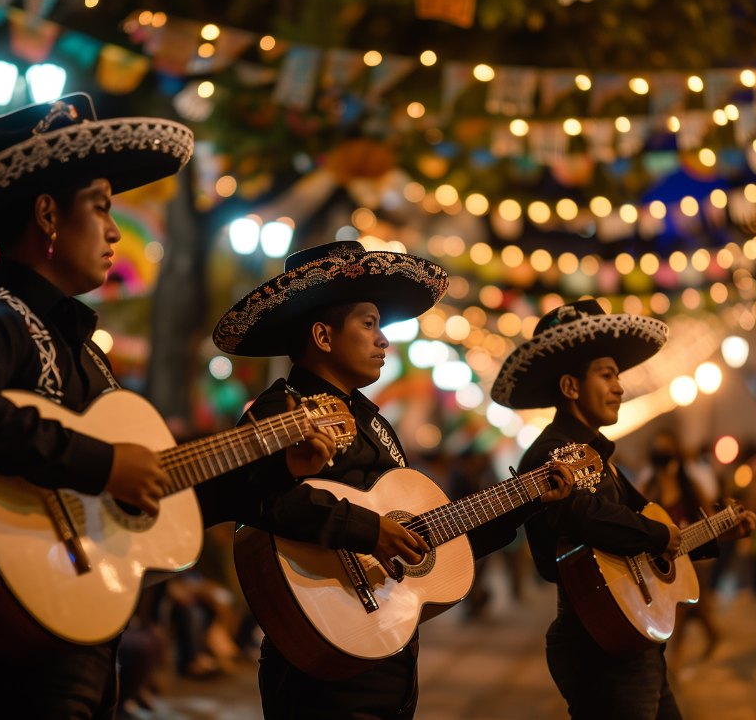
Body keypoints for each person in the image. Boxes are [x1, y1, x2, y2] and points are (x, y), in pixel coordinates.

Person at [0, 95, 331, 719]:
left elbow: (160, 510)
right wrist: (102, 463)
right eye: (103, 208)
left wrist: (271, 467)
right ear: (48, 214)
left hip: (85, 637)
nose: (115, 231)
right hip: (11, 652)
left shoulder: (88, 356)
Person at [199, 240, 575, 719]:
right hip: (317, 665)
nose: (384, 342)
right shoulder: (282, 411)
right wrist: (367, 530)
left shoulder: (374, 422)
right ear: (322, 335)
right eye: (369, 324)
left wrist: (525, 498)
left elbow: (427, 540)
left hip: (388, 655)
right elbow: (251, 498)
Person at [491, 300, 756, 720]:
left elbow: (650, 525)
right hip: (596, 642)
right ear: (570, 387)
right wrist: (656, 536)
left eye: (618, 376)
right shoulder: (549, 453)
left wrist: (711, 535)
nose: (619, 387)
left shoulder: (600, 457)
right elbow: (584, 515)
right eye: (607, 375)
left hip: (629, 636)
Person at [641, 431, 720, 663]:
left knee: (685, 605)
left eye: (666, 452)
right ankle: (713, 635)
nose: (662, 458)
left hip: (691, 557)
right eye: (658, 453)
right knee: (690, 607)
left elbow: (709, 514)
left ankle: (676, 656)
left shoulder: (689, 484)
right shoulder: (649, 485)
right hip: (661, 559)